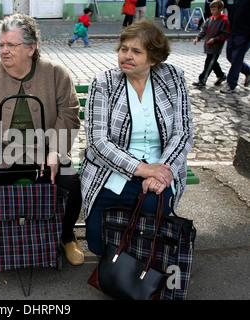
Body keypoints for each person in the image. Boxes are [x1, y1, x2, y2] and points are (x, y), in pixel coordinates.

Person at [0, 13, 84, 282]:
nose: (4, 51)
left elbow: (69, 113)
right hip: (0, 151)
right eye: (1, 45)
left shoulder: (56, 74)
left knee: (70, 183)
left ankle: (65, 234)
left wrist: (55, 152)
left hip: (45, 149)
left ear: (31, 48)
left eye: (11, 45)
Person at [80, 19, 194, 256]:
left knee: (153, 208)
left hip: (160, 166)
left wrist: (162, 171)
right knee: (97, 241)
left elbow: (182, 133)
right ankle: (119, 260)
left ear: (153, 58)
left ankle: (142, 263)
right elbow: (98, 142)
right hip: (110, 171)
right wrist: (142, 169)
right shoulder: (104, 83)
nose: (127, 56)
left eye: (136, 51)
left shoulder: (172, 78)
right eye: (124, 49)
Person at [192, 0, 229, 87]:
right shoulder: (210, 19)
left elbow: (225, 34)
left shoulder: (223, 20)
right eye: (211, 10)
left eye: (214, 9)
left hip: (216, 46)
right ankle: (221, 75)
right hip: (208, 45)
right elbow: (204, 29)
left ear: (220, 9)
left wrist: (215, 39)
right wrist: (198, 38)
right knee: (213, 62)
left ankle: (202, 80)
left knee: (209, 62)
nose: (212, 11)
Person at [220, 0, 250, 93]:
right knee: (230, 57)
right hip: (233, 31)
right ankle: (248, 71)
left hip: (244, 33)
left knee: (237, 59)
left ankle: (231, 84)